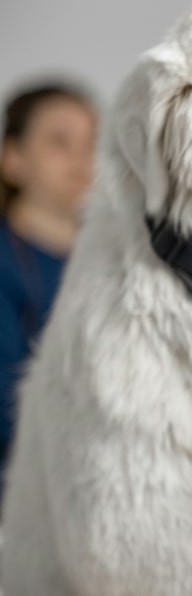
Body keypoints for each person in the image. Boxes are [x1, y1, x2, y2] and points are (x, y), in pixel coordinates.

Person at [0, 83, 96, 472]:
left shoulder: (119, 260)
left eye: (91, 143)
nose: (80, 158)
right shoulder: (7, 264)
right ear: (13, 159)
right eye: (60, 142)